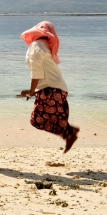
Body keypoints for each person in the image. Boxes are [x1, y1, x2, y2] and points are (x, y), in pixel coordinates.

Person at [19, 21, 80, 153]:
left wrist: (31, 90)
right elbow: (45, 73)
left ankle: (69, 133)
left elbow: (37, 71)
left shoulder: (36, 46)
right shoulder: (46, 45)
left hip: (50, 90)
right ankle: (68, 132)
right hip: (58, 89)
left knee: (37, 121)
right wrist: (35, 91)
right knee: (53, 119)